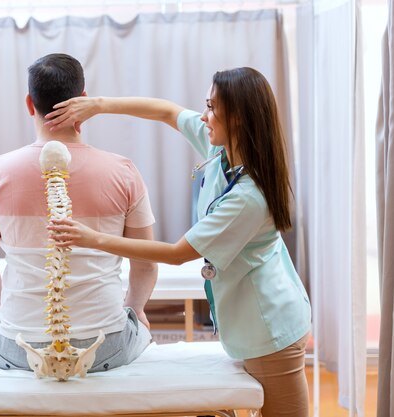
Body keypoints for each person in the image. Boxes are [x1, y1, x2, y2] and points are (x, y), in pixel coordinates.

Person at [45, 67, 312, 416]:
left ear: (240, 118)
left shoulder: (248, 197)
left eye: (213, 108)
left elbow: (176, 253)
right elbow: (167, 111)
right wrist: (97, 105)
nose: (205, 116)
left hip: (272, 332)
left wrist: (92, 238)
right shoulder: (223, 151)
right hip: (252, 326)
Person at [0, 53, 158, 373]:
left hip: (18, 348)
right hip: (104, 345)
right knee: (136, 327)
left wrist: (7, 313)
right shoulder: (123, 171)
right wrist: (134, 310)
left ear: (30, 104)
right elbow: (146, 263)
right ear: (84, 101)